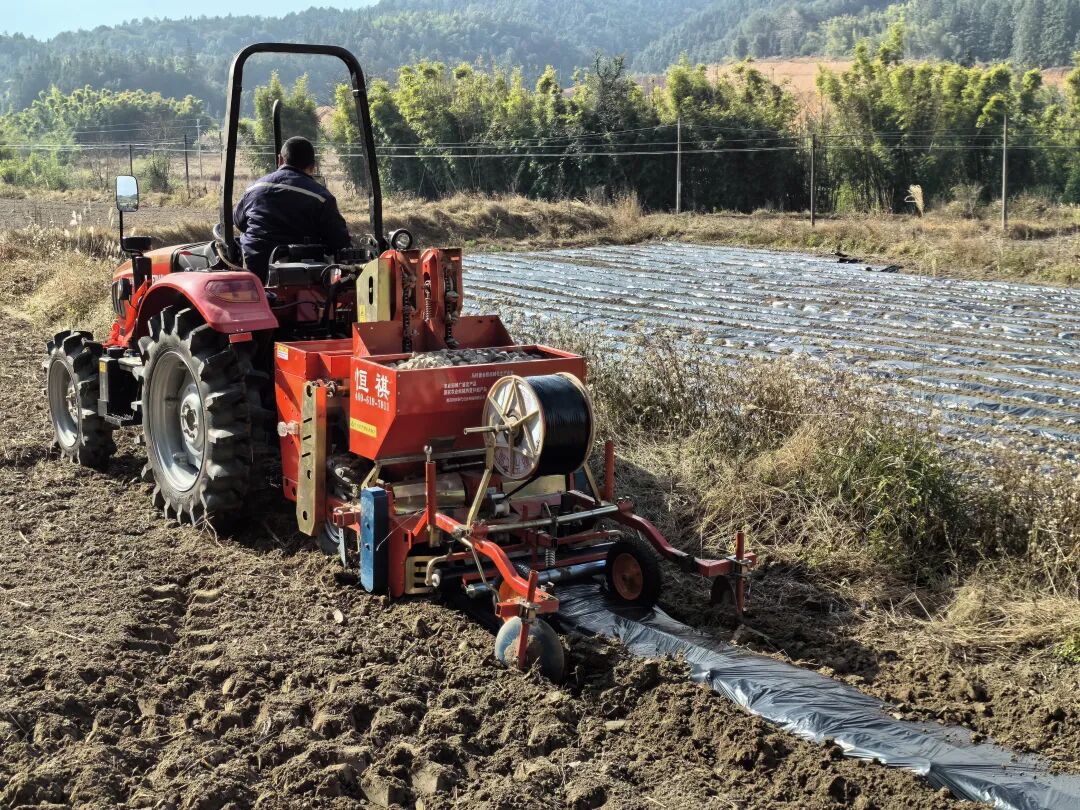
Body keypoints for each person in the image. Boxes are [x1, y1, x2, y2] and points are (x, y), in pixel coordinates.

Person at [233, 136, 350, 279]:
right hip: (301, 278)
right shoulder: (321, 197)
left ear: (280, 160)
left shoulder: (254, 188)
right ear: (313, 167)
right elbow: (339, 241)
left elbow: (239, 222)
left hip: (254, 271)